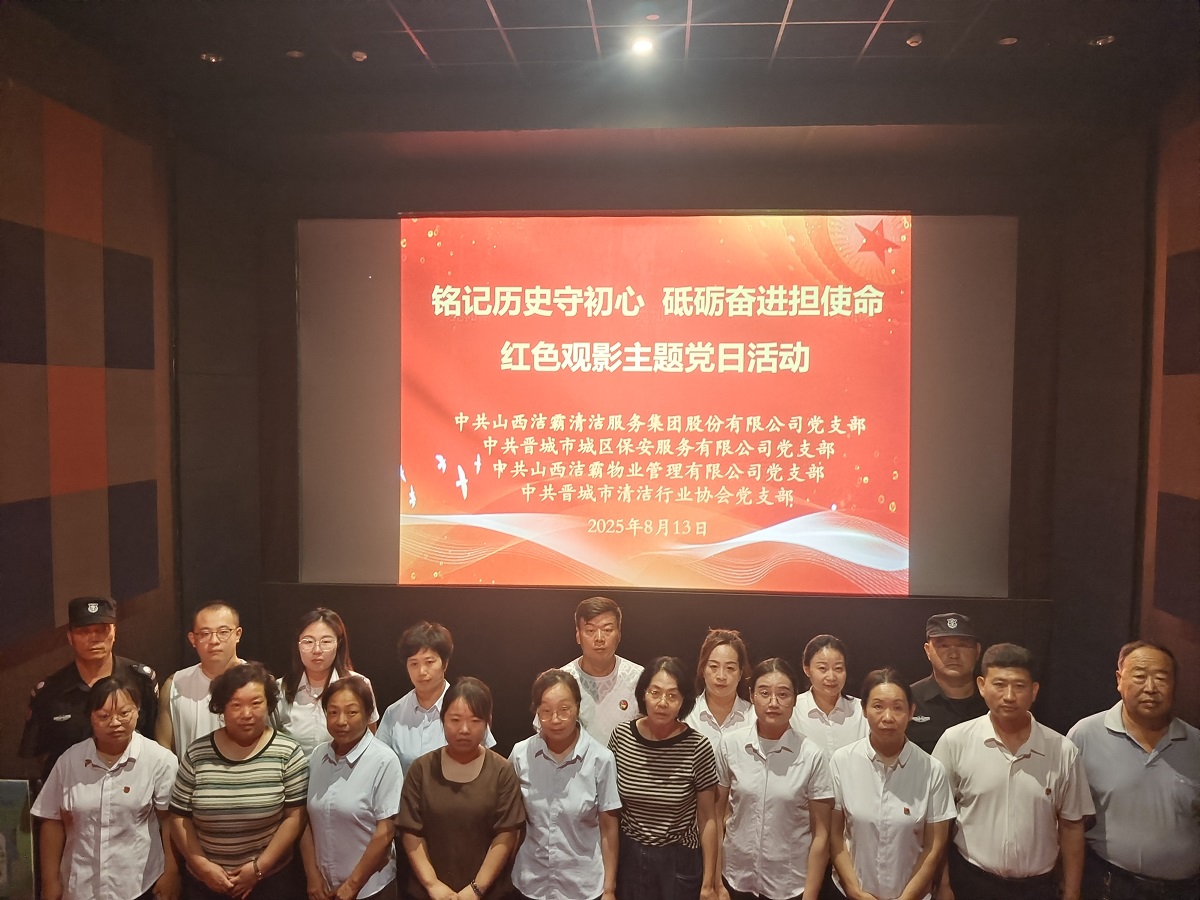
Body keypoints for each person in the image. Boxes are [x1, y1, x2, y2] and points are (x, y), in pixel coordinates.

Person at [932, 643, 1093, 900]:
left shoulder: (1062, 751)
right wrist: (942, 885)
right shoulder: (955, 741)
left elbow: (1072, 826)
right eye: (999, 684)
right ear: (982, 685)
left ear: (1034, 691)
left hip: (1038, 889)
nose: (1009, 696)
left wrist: (1073, 892)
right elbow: (938, 821)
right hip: (972, 883)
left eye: (1019, 686)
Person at [1067, 640, 1200, 899]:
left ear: (1174, 683)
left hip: (1184, 890)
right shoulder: (1085, 735)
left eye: (1161, 678)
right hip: (1108, 885)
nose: (1150, 688)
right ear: (1119, 679)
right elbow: (1067, 819)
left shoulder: (1195, 744)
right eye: (1140, 676)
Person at [31, 675, 180, 900]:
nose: (115, 722)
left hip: (138, 884)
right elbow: (52, 820)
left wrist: (171, 872)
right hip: (80, 885)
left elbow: (170, 820)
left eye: (124, 713)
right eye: (104, 716)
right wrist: (50, 881)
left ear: (138, 710)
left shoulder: (159, 760)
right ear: (90, 716)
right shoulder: (70, 760)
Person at [169, 661, 309, 900]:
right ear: (221, 707)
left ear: (268, 704)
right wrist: (203, 867)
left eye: (256, 703)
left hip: (270, 883)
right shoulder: (197, 753)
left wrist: (258, 869)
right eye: (236, 705)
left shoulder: (288, 752)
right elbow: (179, 817)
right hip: (205, 884)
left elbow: (295, 817)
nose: (246, 714)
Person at [828, 669, 955, 900]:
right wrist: (855, 891)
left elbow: (933, 847)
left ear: (911, 711)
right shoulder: (842, 761)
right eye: (878, 706)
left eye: (897, 707)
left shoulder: (932, 770)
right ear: (864, 709)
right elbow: (835, 835)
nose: (888, 717)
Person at [397, 677, 526, 900]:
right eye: (455, 720)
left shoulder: (502, 771)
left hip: (488, 893)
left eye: (475, 721)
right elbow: (411, 832)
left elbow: (506, 835)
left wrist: (476, 889)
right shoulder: (421, 769)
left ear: (488, 722)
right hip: (428, 893)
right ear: (442, 719)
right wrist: (432, 885)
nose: (464, 729)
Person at [716, 657, 834, 900]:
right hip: (735, 878)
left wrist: (810, 895)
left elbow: (821, 835)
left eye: (783, 694)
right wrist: (714, 882)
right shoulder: (730, 745)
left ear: (795, 699)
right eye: (764, 693)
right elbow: (715, 818)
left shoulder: (812, 755)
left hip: (789, 885)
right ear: (752, 696)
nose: (773, 702)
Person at [607, 656, 719, 900]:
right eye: (655, 693)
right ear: (643, 694)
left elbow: (707, 817)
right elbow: (610, 809)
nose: (662, 703)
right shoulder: (622, 737)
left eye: (672, 695)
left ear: (683, 700)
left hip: (678, 858)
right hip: (630, 855)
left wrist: (709, 884)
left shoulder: (697, 746)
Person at [21, 595, 159, 783]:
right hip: (69, 790)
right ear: (70, 637)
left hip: (131, 788)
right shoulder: (49, 692)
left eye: (102, 630)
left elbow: (154, 740)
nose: (94, 638)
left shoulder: (141, 680)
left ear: (114, 632)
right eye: (84, 631)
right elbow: (37, 755)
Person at [509, 669, 621, 900]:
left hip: (582, 885)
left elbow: (609, 829)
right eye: (546, 711)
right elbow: (511, 820)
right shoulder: (521, 754)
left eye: (564, 709)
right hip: (531, 882)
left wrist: (609, 889)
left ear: (577, 708)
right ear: (536, 711)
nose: (555, 719)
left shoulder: (601, 759)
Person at [303, 674, 403, 900]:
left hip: (370, 889)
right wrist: (313, 876)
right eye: (333, 712)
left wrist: (352, 885)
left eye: (351, 712)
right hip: (324, 889)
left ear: (368, 714)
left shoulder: (384, 760)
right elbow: (305, 821)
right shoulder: (317, 757)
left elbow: (386, 831)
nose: (341, 721)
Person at [377, 621, 496, 772]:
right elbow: (380, 763)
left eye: (429, 662)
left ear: (445, 663)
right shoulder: (394, 713)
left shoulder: (467, 706)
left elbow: (486, 760)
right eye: (414, 664)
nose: (422, 671)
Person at [279, 608, 380, 756]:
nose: (317, 650)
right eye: (308, 641)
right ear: (298, 645)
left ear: (338, 643)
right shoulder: (280, 688)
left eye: (326, 641)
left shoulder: (359, 684)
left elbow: (370, 740)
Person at [157, 602, 244, 756]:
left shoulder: (260, 683)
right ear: (192, 639)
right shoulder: (175, 685)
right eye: (205, 634)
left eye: (223, 632)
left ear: (237, 634)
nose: (214, 640)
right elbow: (163, 751)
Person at [555, 596, 644, 745]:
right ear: (578, 635)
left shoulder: (639, 678)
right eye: (590, 630)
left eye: (607, 630)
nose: (599, 638)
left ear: (619, 634)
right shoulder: (560, 681)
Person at [908, 614, 986, 755]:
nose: (953, 655)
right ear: (927, 650)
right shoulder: (908, 700)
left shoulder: (993, 701)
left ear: (978, 650)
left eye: (962, 645)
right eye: (943, 646)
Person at [793, 635, 867, 757]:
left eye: (838, 668)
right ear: (806, 669)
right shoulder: (793, 711)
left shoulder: (861, 711)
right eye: (823, 668)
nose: (831, 677)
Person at [686, 629, 752, 753]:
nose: (721, 676)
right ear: (702, 669)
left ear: (740, 673)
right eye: (713, 666)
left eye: (730, 668)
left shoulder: (754, 717)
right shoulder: (687, 716)